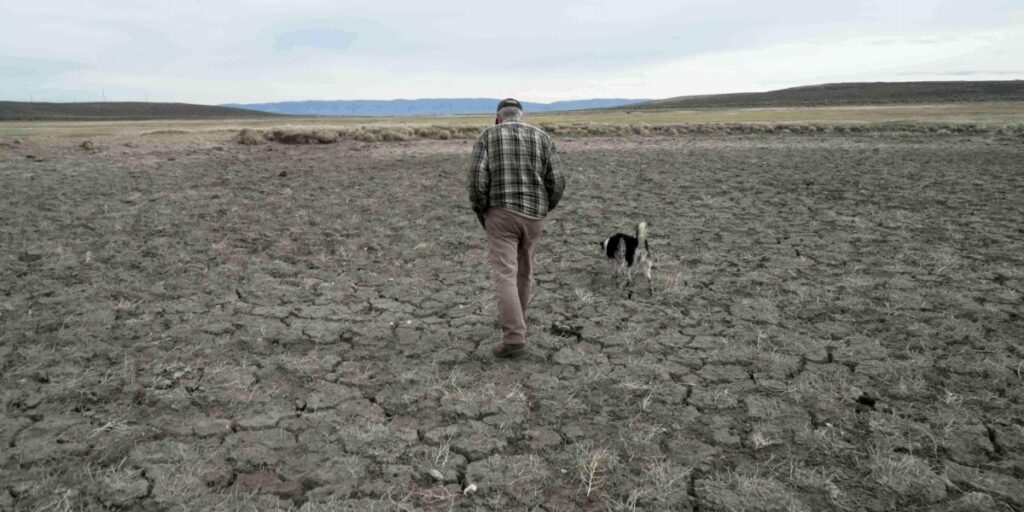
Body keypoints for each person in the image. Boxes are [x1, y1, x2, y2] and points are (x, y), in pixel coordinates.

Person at [467, 98, 566, 358]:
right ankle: (518, 322)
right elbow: (557, 180)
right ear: (521, 115)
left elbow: (477, 179)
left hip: (500, 213)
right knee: (524, 272)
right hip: (534, 215)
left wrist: (482, 211)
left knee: (505, 273)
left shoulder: (487, 136)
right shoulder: (542, 137)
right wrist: (544, 209)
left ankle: (514, 338)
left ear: (498, 117)